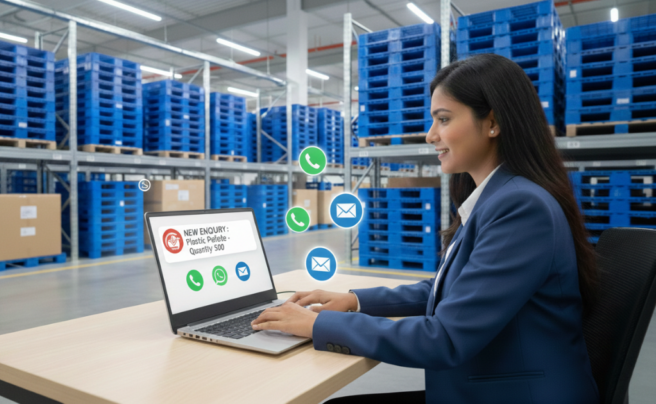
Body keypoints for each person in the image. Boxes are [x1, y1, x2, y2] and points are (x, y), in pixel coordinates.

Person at [250, 53, 600, 404]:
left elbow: (444, 338)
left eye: (443, 119)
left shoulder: (521, 207)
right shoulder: (498, 197)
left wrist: (316, 325)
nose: (431, 135)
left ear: (492, 122)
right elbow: (451, 290)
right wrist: (355, 300)